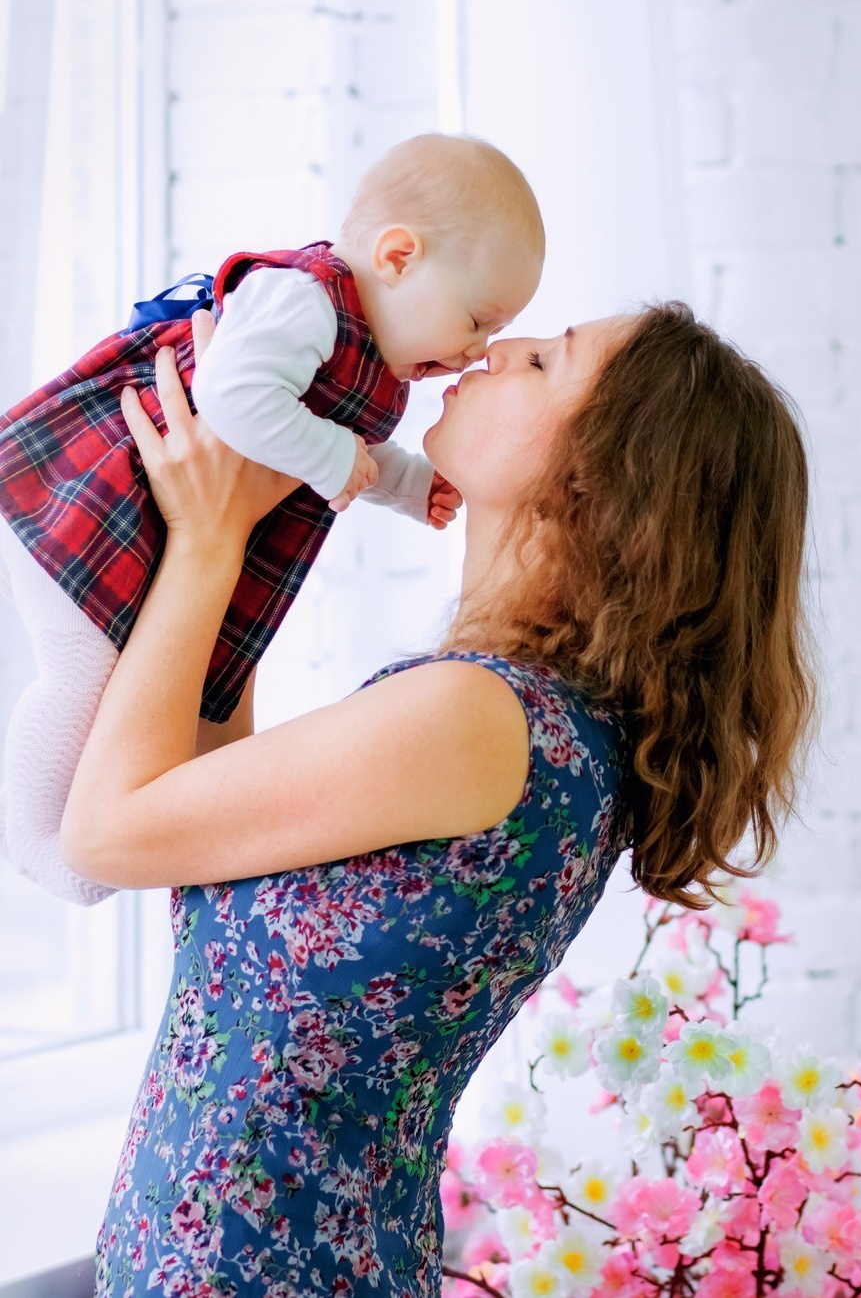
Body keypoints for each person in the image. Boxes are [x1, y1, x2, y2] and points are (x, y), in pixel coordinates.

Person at [62, 298, 815, 1295]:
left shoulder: (478, 716)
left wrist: (207, 548)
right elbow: (201, 823)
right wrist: (248, 522)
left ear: (601, 480)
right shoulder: (535, 722)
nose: (501, 347)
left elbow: (108, 832)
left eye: (546, 362)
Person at [0, 132, 543, 906]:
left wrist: (410, 484)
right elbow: (235, 400)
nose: (476, 350)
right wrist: (330, 456)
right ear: (397, 257)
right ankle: (32, 838)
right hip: (86, 497)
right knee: (82, 676)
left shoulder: (366, 353)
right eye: (477, 320)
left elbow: (344, 451)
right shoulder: (309, 298)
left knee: (125, 695)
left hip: (143, 519)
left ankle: (78, 847)